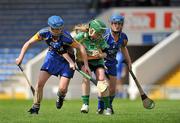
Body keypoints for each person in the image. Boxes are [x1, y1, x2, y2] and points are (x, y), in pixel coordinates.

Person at [15, 15, 91, 114]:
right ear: (50, 27)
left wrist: (85, 65)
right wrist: (21, 57)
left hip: (67, 60)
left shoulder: (66, 37)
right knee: (40, 84)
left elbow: (80, 47)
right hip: (52, 58)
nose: (58, 31)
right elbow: (28, 43)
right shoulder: (43, 33)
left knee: (63, 89)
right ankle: (35, 107)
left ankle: (61, 96)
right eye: (56, 29)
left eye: (60, 29)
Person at [74, 19, 112, 115]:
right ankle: (85, 105)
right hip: (84, 62)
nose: (100, 36)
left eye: (101, 34)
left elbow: (107, 53)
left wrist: (100, 55)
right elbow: (70, 45)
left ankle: (108, 107)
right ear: (91, 30)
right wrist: (72, 59)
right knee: (86, 77)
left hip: (98, 62)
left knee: (102, 80)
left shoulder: (100, 40)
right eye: (98, 33)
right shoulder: (80, 37)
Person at [97, 13, 132, 114]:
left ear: (122, 25)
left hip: (112, 63)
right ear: (111, 24)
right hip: (100, 62)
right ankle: (101, 107)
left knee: (113, 89)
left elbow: (124, 48)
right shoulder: (105, 35)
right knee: (103, 85)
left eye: (119, 23)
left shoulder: (123, 37)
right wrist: (100, 62)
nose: (117, 25)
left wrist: (129, 62)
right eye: (114, 23)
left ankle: (109, 105)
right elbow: (98, 49)